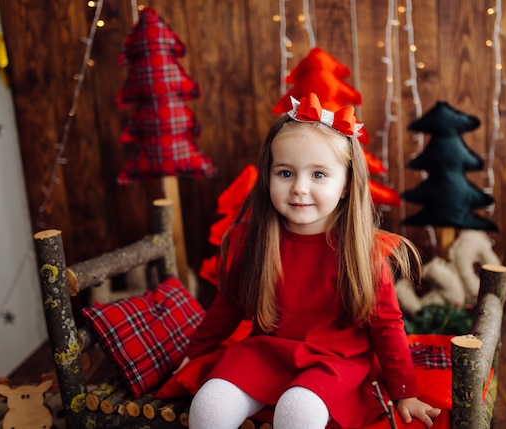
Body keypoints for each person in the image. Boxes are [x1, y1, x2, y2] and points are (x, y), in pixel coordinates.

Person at [179, 93, 441, 429]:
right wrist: (193, 354)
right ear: (267, 176)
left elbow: (386, 327)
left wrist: (405, 391)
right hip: (267, 353)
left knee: (298, 410)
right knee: (209, 406)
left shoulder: (363, 254)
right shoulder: (250, 242)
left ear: (346, 185)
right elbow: (226, 307)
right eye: (285, 173)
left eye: (318, 175)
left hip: (334, 362)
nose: (299, 188)